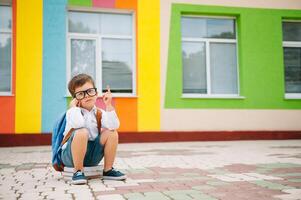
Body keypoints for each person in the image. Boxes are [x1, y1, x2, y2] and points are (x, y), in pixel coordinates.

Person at [61, 73, 126, 185]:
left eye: (90, 91)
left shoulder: (99, 112)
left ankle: (108, 170)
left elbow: (114, 125)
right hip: (70, 156)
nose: (87, 96)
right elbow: (78, 124)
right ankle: (78, 171)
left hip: (91, 155)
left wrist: (109, 105)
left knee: (111, 132)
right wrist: (73, 107)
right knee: (82, 131)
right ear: (75, 98)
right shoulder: (72, 113)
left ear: (96, 93)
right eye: (81, 94)